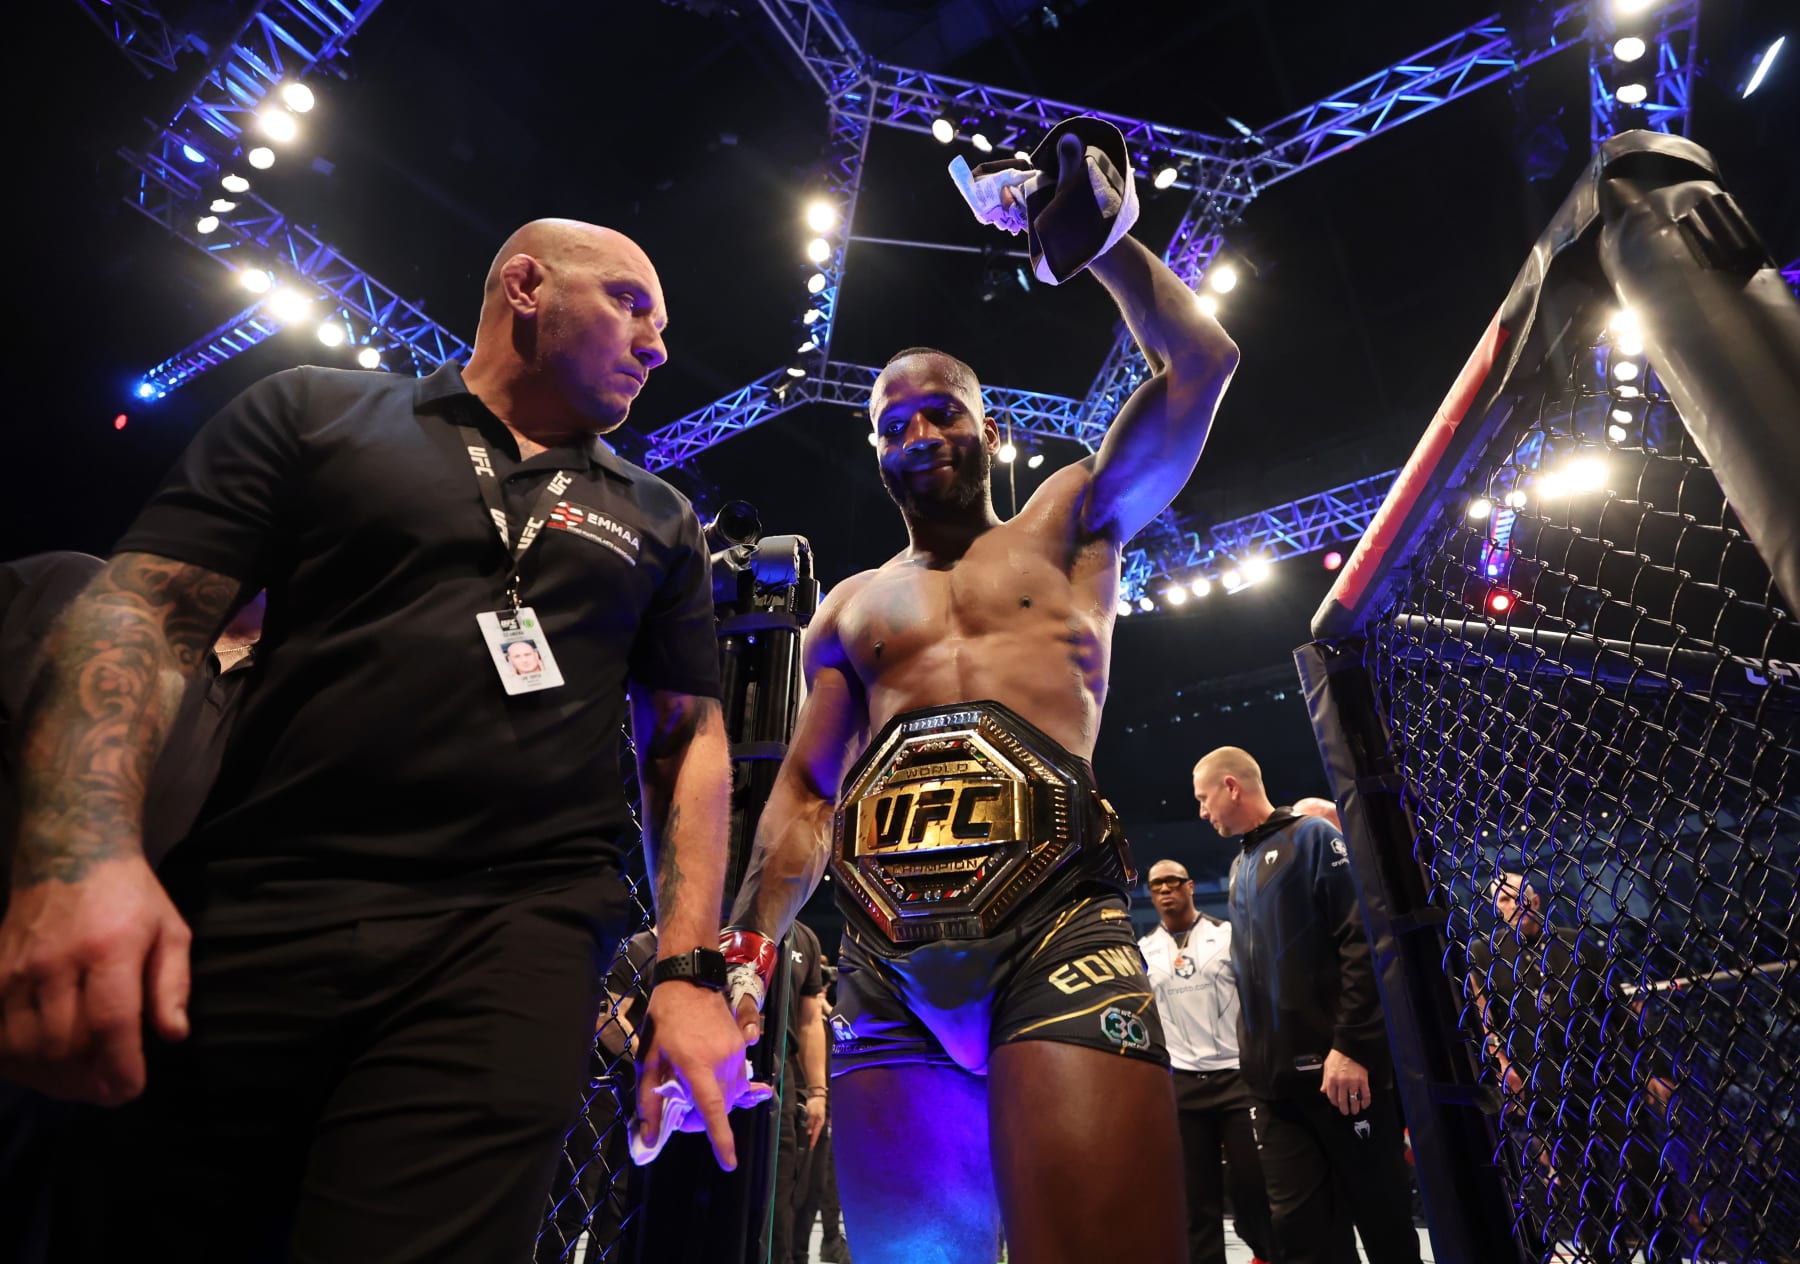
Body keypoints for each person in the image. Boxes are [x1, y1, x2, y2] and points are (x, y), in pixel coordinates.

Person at [0, 219, 753, 1262]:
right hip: (254, 905)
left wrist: (689, 970)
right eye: (631, 302)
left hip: (517, 927)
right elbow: (144, 613)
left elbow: (686, 737)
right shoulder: (314, 410)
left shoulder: (660, 516)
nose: (659, 344)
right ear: (526, 286)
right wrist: (80, 852)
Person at [716, 127, 1242, 1262]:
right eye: (892, 424)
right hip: (887, 963)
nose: (917, 434)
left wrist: (1098, 248)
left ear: (990, 429)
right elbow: (805, 796)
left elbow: (1200, 368)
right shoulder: (850, 609)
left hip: (1057, 928)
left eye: (940, 410)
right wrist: (750, 958)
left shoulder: (1067, 522)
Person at [1193, 745, 1420, 1264]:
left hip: (1340, 1077)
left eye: (1205, 798)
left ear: (1232, 786)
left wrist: (1352, 1047)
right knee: (1302, 1236)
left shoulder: (1313, 837)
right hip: (1274, 1089)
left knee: (1383, 1224)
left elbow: (1362, 944)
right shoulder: (1239, 864)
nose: (1202, 812)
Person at [1140, 859, 1273, 1264]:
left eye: (1173, 882)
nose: (1165, 890)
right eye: (1156, 884)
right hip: (1182, 1082)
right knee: (1197, 1197)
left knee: (1252, 1184)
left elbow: (1260, 998)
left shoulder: (1227, 936)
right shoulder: (1144, 951)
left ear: (1191, 886)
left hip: (1236, 1076)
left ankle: (1267, 1254)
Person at [771, 918, 828, 1264]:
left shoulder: (804, 937)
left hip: (783, 1077)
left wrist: (818, 1091)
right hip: (719, 1064)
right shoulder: (722, 919)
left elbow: (809, 1022)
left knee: (781, 1197)